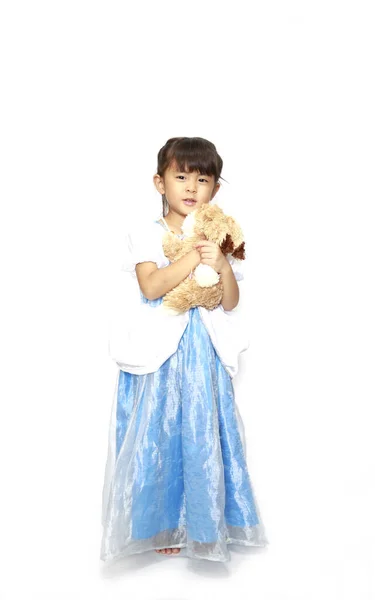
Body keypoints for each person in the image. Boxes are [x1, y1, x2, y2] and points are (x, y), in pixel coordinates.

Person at [100, 136, 268, 563]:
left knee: (201, 428)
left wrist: (223, 263)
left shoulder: (218, 236)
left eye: (203, 178)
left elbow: (229, 301)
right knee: (157, 430)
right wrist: (194, 259)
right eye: (181, 176)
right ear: (160, 183)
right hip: (161, 349)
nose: (191, 187)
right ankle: (159, 525)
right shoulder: (146, 233)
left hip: (203, 350)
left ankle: (203, 521)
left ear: (215, 188)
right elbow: (152, 286)